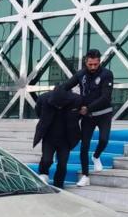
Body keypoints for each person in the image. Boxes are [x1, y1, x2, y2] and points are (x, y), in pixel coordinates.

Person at [59, 48, 114, 186]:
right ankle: (85, 175)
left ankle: (96, 156)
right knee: (84, 146)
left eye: (96, 64)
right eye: (90, 64)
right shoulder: (81, 74)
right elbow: (66, 86)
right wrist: (55, 92)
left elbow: (105, 97)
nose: (93, 67)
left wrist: (88, 108)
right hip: (87, 116)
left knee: (103, 140)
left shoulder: (107, 74)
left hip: (104, 114)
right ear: (86, 61)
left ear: (99, 61)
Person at [33, 84, 83, 188]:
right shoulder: (43, 98)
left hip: (66, 138)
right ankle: (43, 174)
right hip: (49, 137)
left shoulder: (76, 100)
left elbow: (80, 114)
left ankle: (59, 184)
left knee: (62, 164)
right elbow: (38, 112)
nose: (59, 107)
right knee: (47, 160)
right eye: (56, 105)